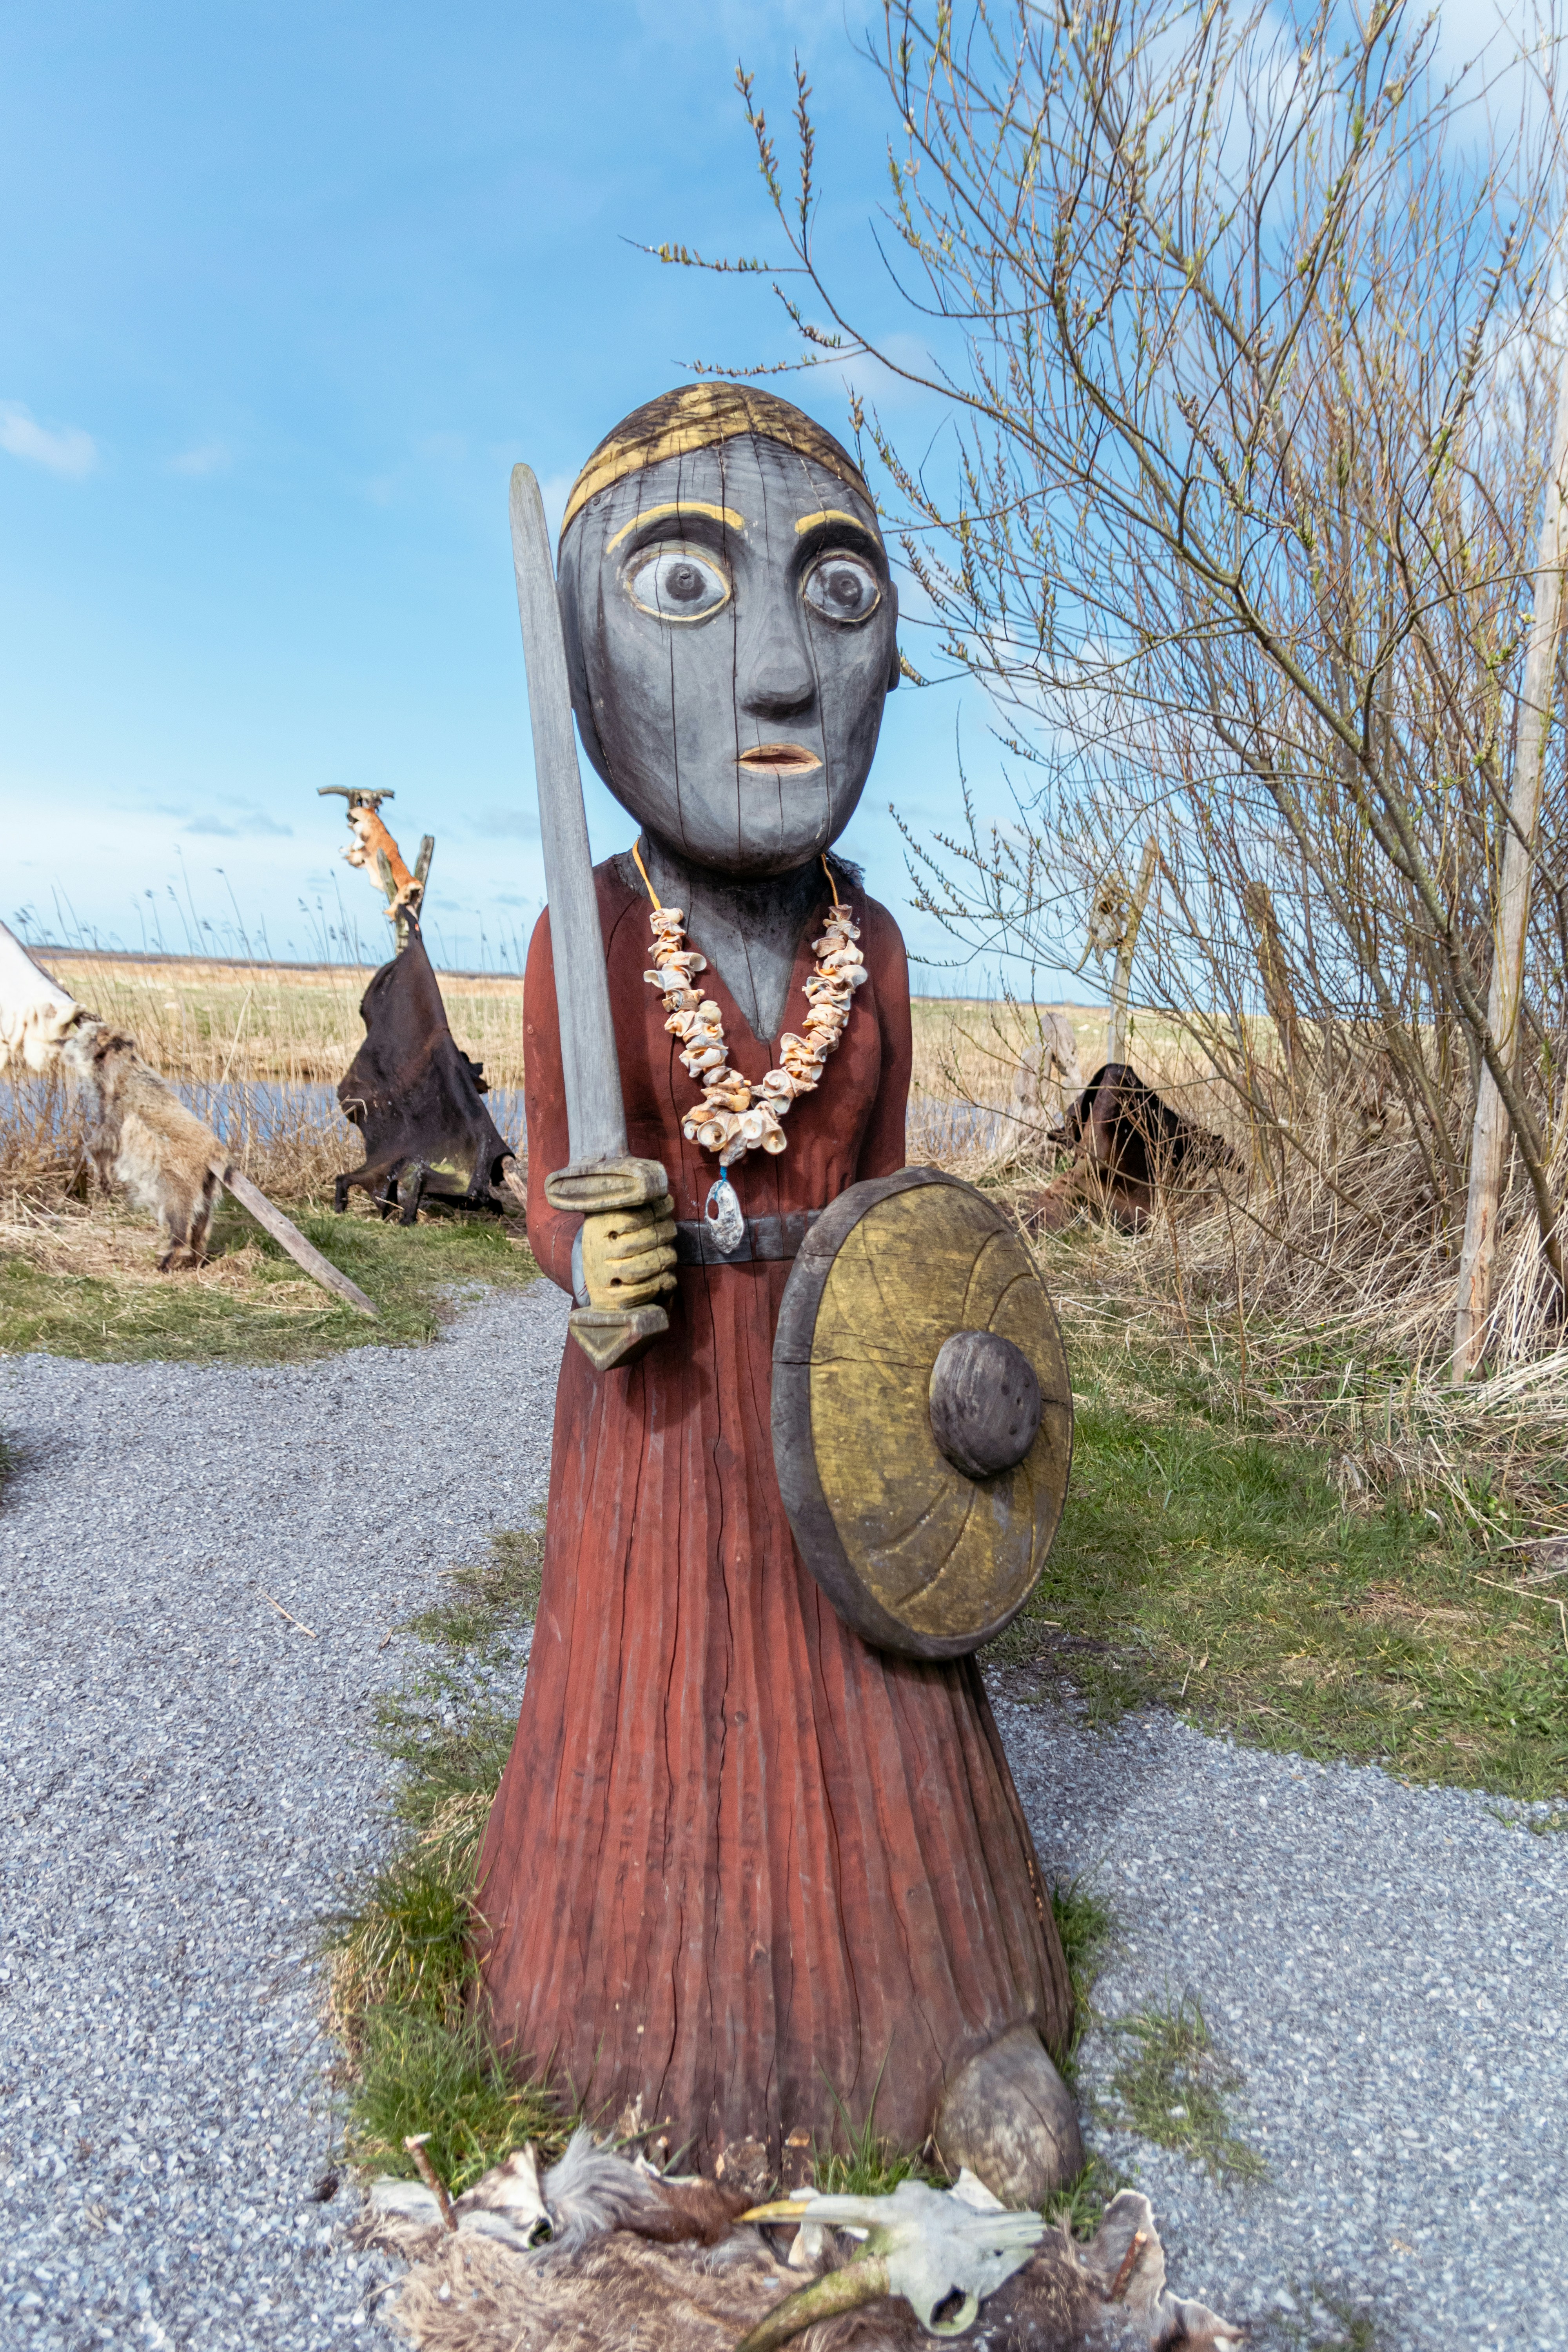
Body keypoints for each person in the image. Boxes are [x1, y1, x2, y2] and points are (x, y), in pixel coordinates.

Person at [477, 384, 1080, 2195]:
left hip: (842, 1413)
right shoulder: (585, 936)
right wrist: (593, 1244)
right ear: (581, 654)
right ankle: (628, 2027)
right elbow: (553, 1176)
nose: (771, 675)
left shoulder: (868, 945)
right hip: (660, 1414)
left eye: (835, 598)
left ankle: (937, 2015)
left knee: (885, 1715)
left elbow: (897, 1207)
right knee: (657, 1721)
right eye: (682, 592)